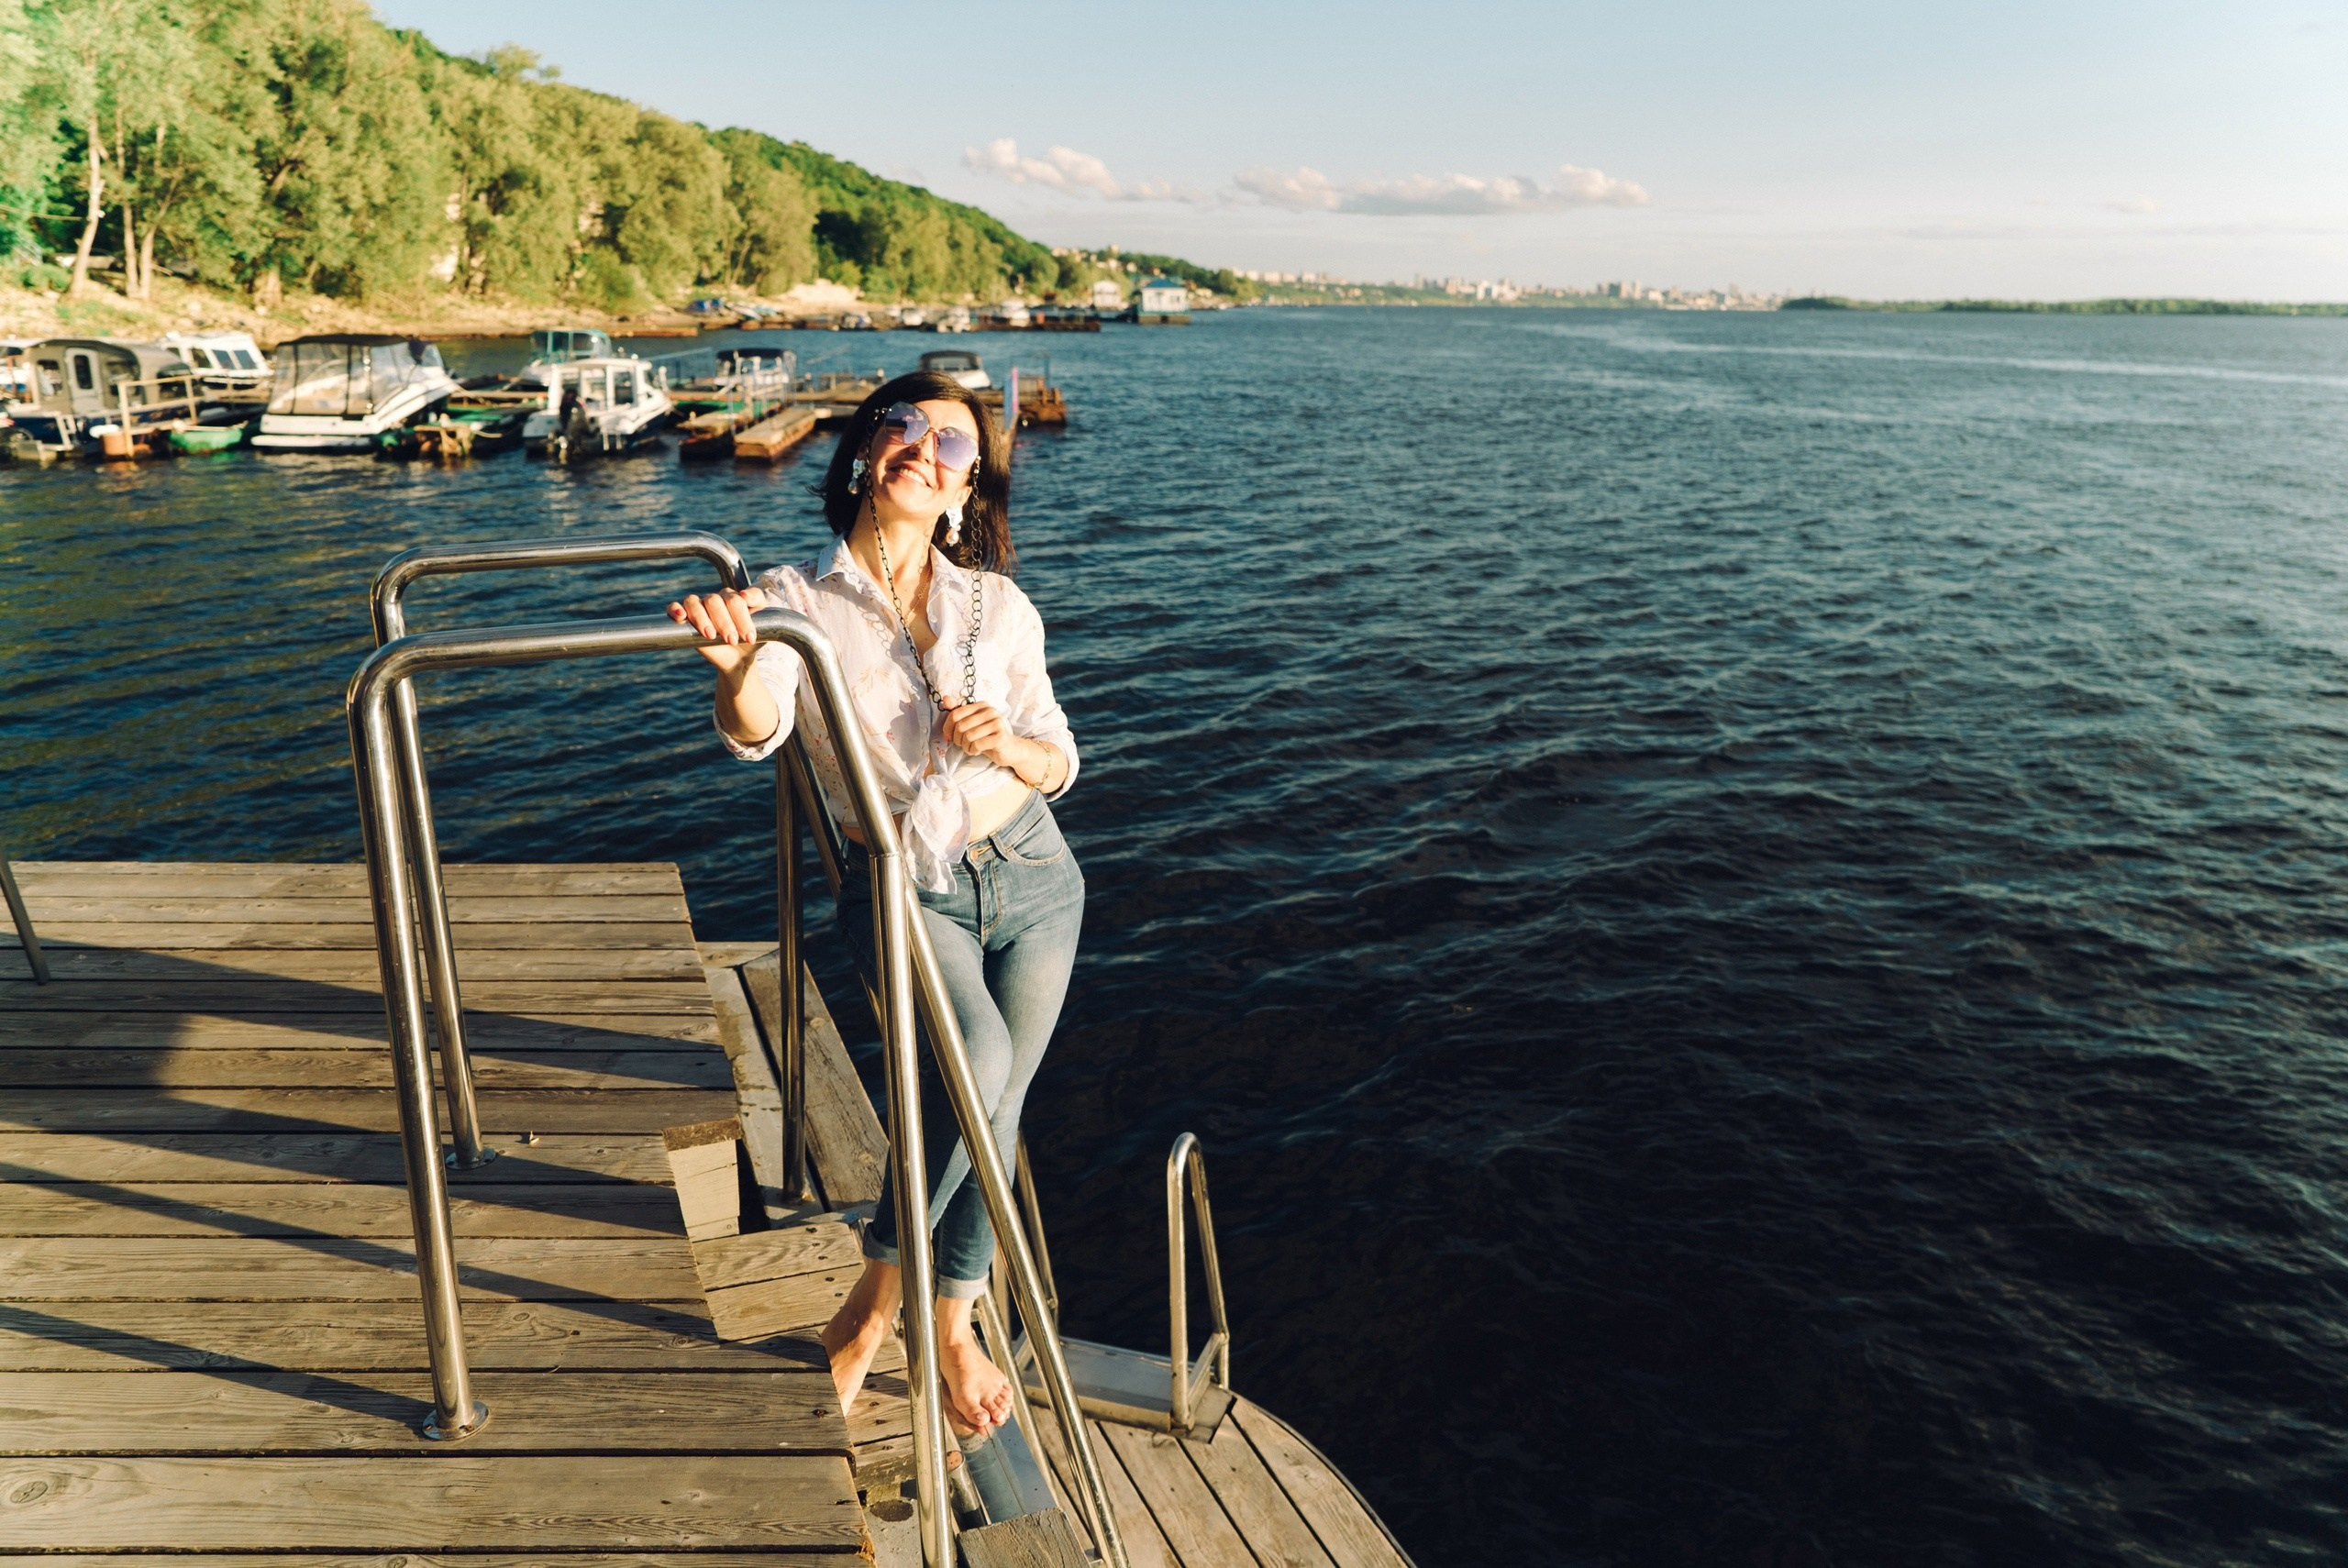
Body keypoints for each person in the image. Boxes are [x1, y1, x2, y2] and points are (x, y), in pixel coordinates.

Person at [667, 371, 1082, 1436]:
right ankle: (872, 1306)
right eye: (903, 426)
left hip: (1035, 874)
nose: (922, 447)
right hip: (901, 884)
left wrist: (1009, 744)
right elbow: (757, 727)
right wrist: (732, 666)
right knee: (977, 1073)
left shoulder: (999, 605)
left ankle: (951, 1318)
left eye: (951, 444)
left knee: (997, 1109)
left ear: (963, 492)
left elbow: (1059, 756)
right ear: (863, 452)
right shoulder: (790, 604)